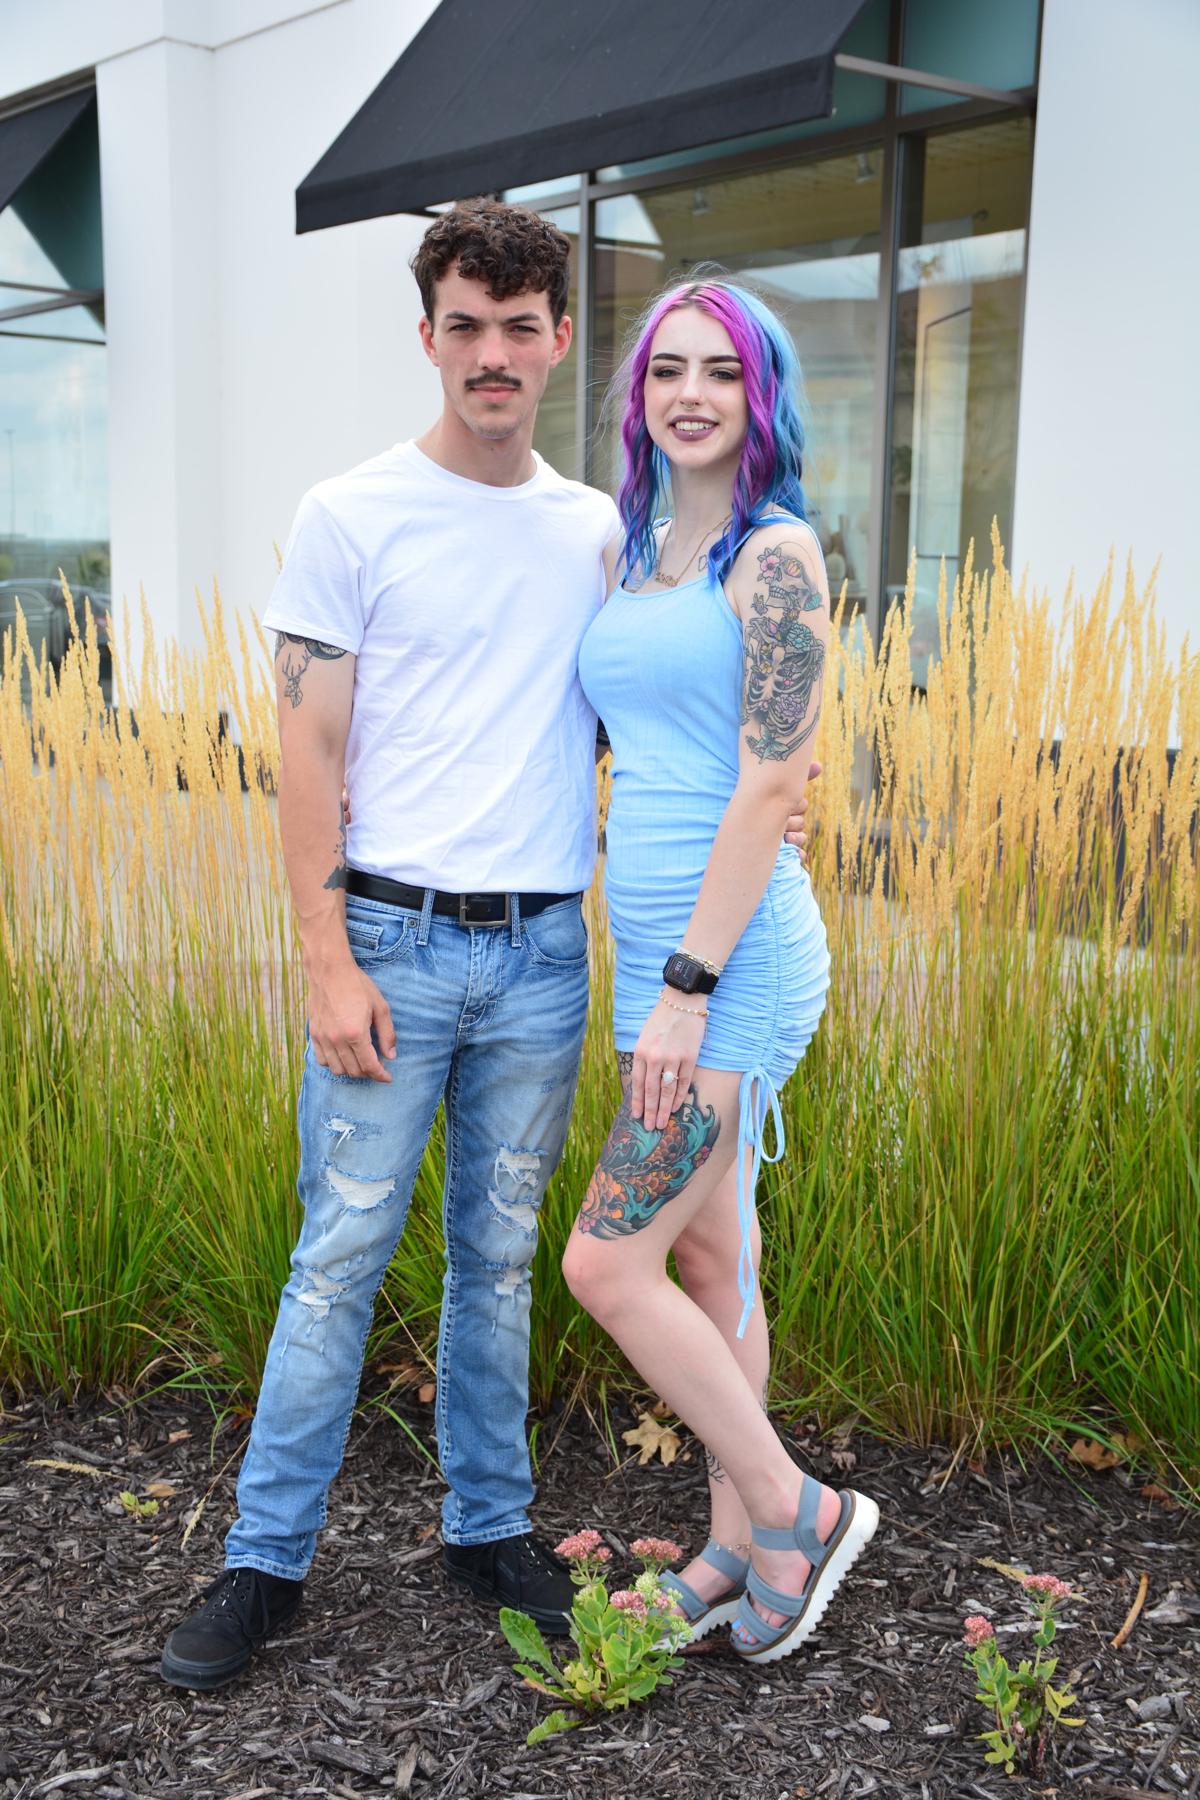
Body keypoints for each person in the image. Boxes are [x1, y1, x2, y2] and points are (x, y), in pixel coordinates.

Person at [159, 203, 815, 1691]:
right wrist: (326, 959)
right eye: (467, 326)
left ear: (561, 340)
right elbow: (307, 751)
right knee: (337, 1259)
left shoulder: (603, 534)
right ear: (430, 337)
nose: (494, 355)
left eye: (522, 328)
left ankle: (490, 1528)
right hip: (390, 943)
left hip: (541, 956)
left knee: (502, 1259)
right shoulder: (350, 514)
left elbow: (677, 707)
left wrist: (769, 804)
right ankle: (264, 1564)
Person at [565, 280, 879, 1663]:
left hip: (728, 966)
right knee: (706, 1249)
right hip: (657, 952)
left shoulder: (776, 555)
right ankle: (732, 1552)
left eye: (722, 372)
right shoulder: (632, 550)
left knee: (605, 1260)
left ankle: (798, 1510)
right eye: (667, 370)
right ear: (638, 394)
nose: (690, 394)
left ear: (763, 397)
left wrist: (686, 990)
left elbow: (768, 788)